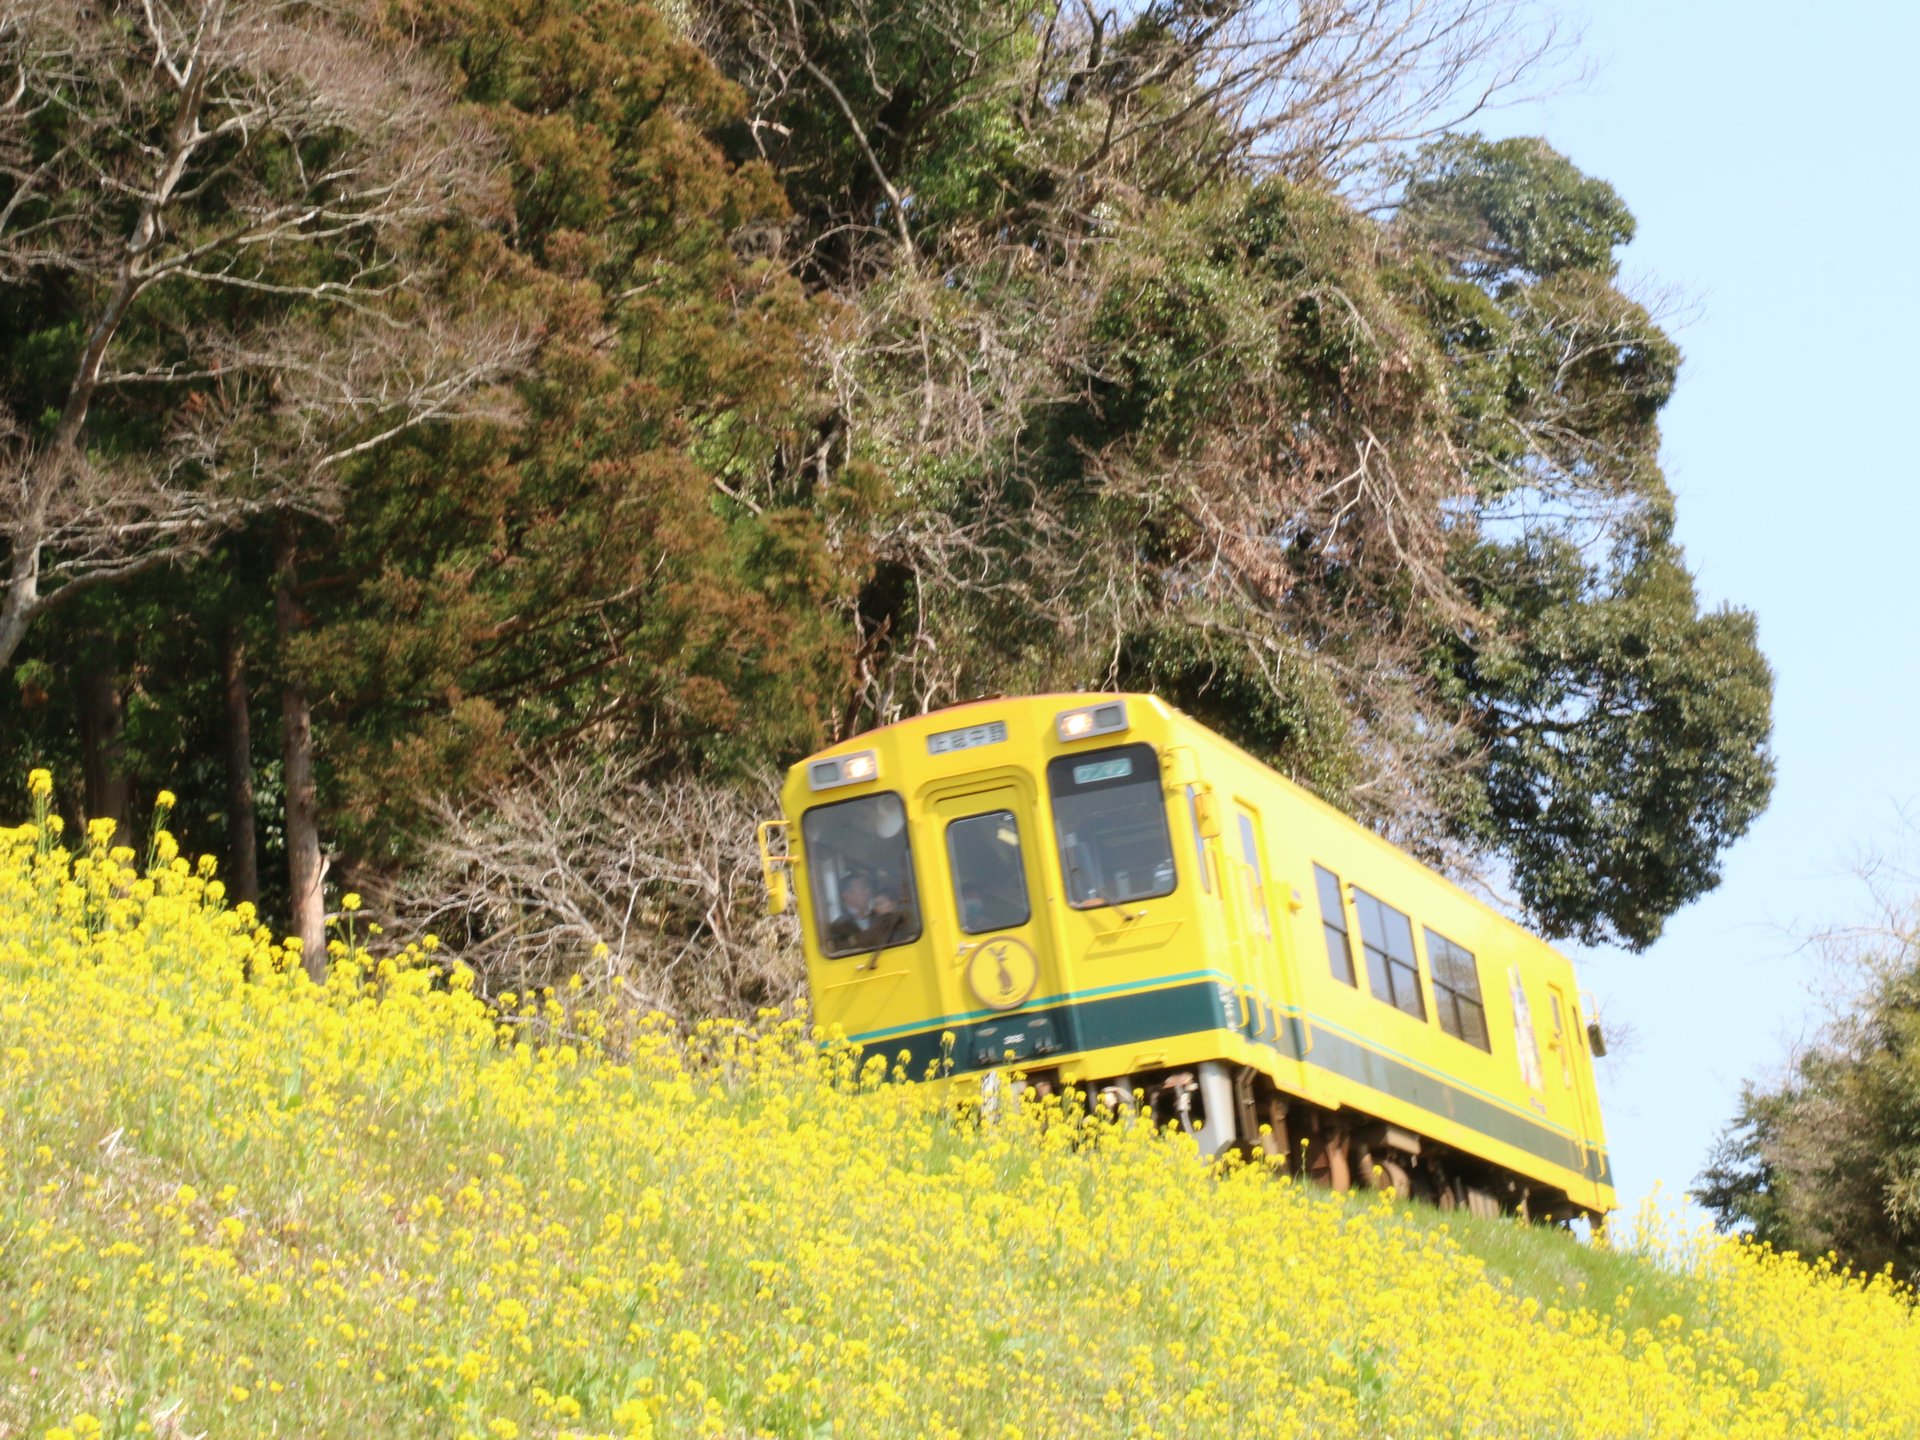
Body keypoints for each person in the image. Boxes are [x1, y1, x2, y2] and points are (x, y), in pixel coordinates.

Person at [827, 869, 906, 952]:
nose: (868, 891)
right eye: (862, 888)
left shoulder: (880, 915)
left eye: (867, 888)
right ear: (847, 895)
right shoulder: (837, 927)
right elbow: (837, 950)